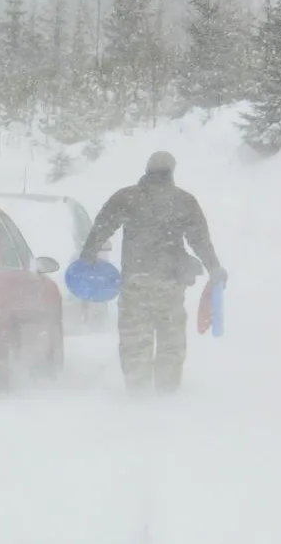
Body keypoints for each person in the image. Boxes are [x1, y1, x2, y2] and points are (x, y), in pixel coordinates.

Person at [78, 151, 226, 393]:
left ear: (147, 170)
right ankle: (166, 393)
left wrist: (87, 257)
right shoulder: (184, 201)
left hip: (136, 282)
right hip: (170, 283)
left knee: (134, 341)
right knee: (171, 341)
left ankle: (138, 395)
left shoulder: (127, 197)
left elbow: (101, 228)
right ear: (172, 171)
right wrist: (214, 267)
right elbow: (200, 240)